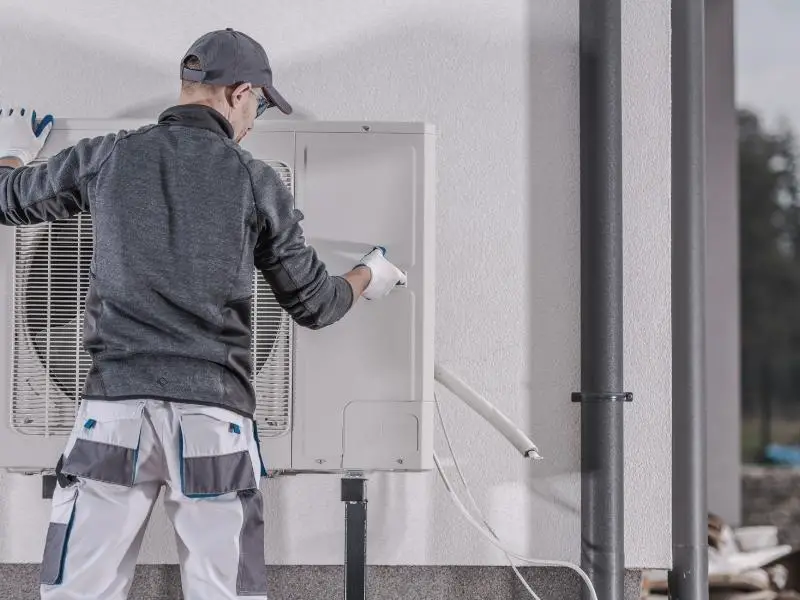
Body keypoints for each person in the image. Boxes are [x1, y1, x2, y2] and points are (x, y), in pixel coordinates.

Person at [0, 28, 405, 600]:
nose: (254, 121)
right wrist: (370, 275)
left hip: (113, 415)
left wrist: (12, 151)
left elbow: (6, 197)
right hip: (214, 425)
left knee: (77, 593)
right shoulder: (255, 180)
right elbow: (315, 304)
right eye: (259, 105)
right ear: (239, 92)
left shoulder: (108, 155)